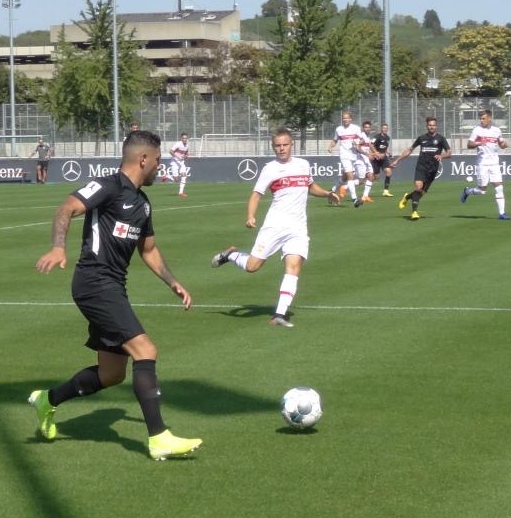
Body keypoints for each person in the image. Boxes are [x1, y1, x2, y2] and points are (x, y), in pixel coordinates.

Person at [30, 130, 201, 460]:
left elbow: (148, 250)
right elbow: (65, 208)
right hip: (94, 282)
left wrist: (172, 281)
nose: (160, 165)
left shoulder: (143, 204)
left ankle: (47, 400)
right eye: (158, 159)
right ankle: (159, 437)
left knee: (111, 374)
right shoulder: (107, 186)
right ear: (143, 159)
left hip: (113, 286)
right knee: (146, 350)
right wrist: (57, 247)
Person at [209, 128, 342, 328]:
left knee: (294, 267)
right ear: (273, 147)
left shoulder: (303, 165)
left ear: (291, 145)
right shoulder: (270, 169)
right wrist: (251, 216)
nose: (281, 149)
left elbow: (309, 186)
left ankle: (279, 314)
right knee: (252, 266)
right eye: (277, 146)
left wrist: (327, 194)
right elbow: (256, 194)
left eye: (284, 145)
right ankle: (231, 255)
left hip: (298, 228)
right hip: (274, 226)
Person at [389, 116, 451, 221]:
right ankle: (414, 212)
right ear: (427, 126)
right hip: (421, 167)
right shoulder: (421, 138)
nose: (432, 127)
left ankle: (407, 197)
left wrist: (442, 156)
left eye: (433, 125)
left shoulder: (441, 139)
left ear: (436, 126)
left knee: (421, 193)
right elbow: (409, 150)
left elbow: (449, 153)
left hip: (433, 170)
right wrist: (397, 160)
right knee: (418, 187)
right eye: (430, 125)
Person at [460, 109, 511, 220]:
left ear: (489, 118)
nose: (481, 121)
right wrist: (479, 143)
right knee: (482, 191)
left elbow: (501, 144)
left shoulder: (497, 130)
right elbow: (469, 144)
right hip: (482, 163)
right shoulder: (477, 130)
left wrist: (504, 144)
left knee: (499, 188)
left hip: (494, 163)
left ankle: (502, 214)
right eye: (480, 119)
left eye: (483, 118)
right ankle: (467, 191)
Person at [328, 111, 364, 205]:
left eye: (347, 118)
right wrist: (330, 147)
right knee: (350, 176)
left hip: (354, 156)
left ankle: (332, 191)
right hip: (344, 155)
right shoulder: (339, 129)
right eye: (344, 118)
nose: (345, 120)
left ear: (350, 119)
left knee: (344, 178)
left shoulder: (356, 128)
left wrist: (357, 143)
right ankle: (354, 199)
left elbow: (362, 140)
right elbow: (335, 140)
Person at [352, 120, 378, 205]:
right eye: (366, 127)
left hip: (366, 160)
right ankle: (345, 186)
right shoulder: (361, 137)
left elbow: (370, 145)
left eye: (369, 127)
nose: (367, 129)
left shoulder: (367, 137)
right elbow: (357, 148)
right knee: (361, 181)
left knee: (371, 176)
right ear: (363, 128)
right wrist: (367, 154)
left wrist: (376, 153)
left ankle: (365, 196)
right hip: (360, 160)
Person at [371, 122, 394, 197]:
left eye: (386, 128)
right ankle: (364, 182)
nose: (385, 129)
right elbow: (371, 145)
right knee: (376, 177)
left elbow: (384, 147)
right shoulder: (376, 137)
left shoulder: (388, 138)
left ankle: (386, 191)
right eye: (384, 128)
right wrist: (376, 153)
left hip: (383, 158)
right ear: (381, 129)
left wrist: (388, 152)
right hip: (376, 159)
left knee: (389, 171)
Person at [166, 132, 190, 197]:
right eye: (183, 138)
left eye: (186, 138)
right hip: (174, 162)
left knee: (184, 176)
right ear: (181, 138)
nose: (185, 139)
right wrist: (177, 157)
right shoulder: (178, 144)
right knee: (176, 180)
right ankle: (167, 176)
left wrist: (186, 156)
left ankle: (181, 192)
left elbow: (186, 153)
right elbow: (171, 151)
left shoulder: (187, 145)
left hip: (181, 162)